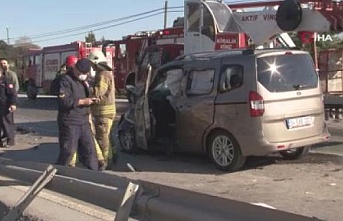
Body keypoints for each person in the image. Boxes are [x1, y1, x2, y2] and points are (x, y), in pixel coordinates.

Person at [56, 58, 99, 171]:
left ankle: (94, 175)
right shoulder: (65, 80)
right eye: (80, 73)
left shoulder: (85, 81)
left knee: (90, 151)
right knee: (68, 151)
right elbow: (64, 101)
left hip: (84, 120)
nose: (82, 75)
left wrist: (92, 100)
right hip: (70, 121)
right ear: (75, 68)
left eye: (85, 73)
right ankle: (59, 172)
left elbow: (89, 95)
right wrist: (82, 101)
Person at [88, 51, 117, 169]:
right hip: (106, 111)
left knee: (102, 137)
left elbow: (98, 91)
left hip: (103, 112)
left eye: (93, 64)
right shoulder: (106, 73)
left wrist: (86, 88)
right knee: (107, 136)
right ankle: (111, 158)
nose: (92, 67)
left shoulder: (103, 74)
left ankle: (104, 161)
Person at [0, 58, 19, 146]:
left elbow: (12, 93)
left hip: (5, 105)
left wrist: (13, 104)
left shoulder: (6, 80)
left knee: (7, 123)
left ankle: (11, 140)